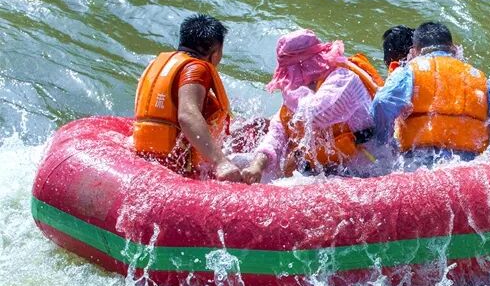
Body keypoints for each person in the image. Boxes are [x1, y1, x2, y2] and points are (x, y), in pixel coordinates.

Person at [371, 21, 490, 165]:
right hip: (469, 169)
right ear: (453, 48)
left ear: (414, 51)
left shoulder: (408, 72)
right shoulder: (481, 79)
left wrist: (385, 144)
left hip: (419, 165)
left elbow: (382, 102)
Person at [242, 29, 384, 183]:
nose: (289, 80)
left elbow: (315, 114)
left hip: (367, 169)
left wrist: (290, 91)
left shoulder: (343, 79)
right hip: (328, 171)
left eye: (290, 73)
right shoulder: (297, 100)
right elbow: (276, 136)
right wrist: (257, 166)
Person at [133, 14, 241, 181]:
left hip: (144, 154)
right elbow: (187, 116)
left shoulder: (158, 63)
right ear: (216, 51)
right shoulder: (197, 69)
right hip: (176, 167)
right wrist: (221, 162)